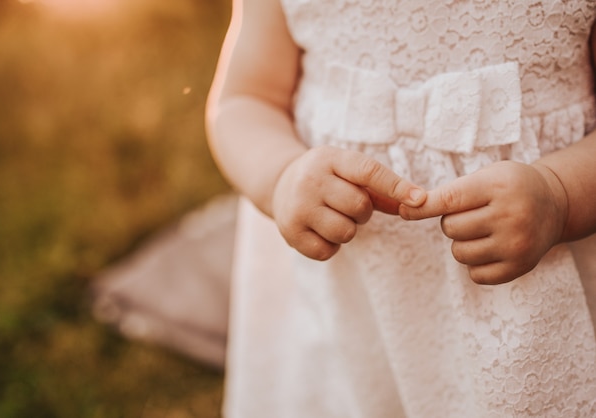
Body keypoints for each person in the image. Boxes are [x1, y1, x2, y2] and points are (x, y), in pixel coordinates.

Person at [206, 0, 596, 416]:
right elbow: (244, 101)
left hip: (528, 299)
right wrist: (282, 176)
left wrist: (559, 196)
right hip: (345, 302)